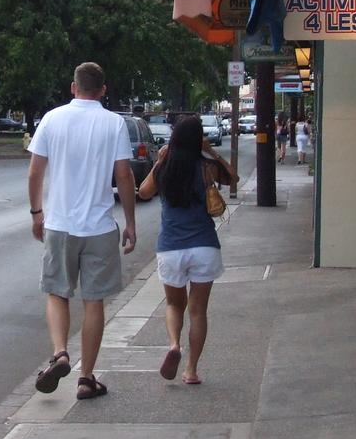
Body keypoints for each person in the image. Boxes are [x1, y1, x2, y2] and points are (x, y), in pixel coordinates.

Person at [27, 62, 137, 400]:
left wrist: (36, 213)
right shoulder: (114, 123)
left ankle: (60, 353)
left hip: (60, 224)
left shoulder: (52, 119)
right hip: (99, 227)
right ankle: (87, 379)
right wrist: (130, 222)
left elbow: (35, 173)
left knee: (57, 292)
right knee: (94, 301)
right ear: (103, 90)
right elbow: (124, 175)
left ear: (73, 87)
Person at [139, 116, 235, 385]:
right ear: (198, 139)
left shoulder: (166, 168)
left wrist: (159, 161)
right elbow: (233, 178)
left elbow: (143, 192)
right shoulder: (207, 166)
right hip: (204, 246)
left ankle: (173, 345)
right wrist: (212, 151)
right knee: (198, 311)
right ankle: (191, 370)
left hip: (171, 248)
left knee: (173, 304)